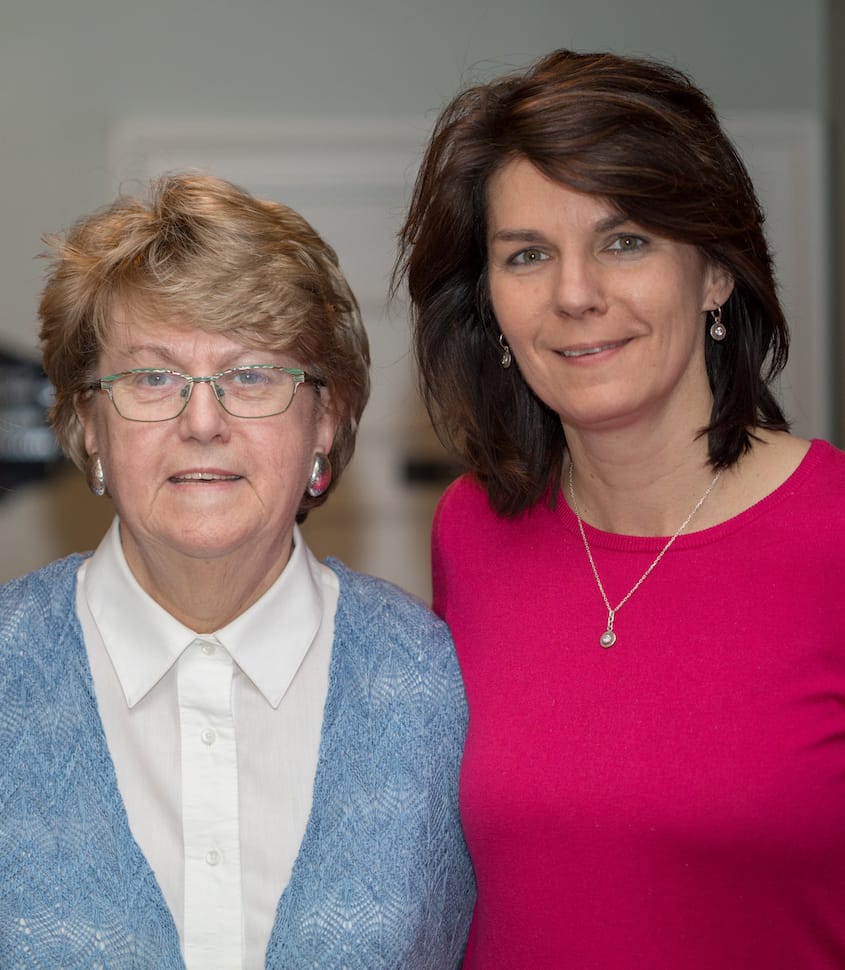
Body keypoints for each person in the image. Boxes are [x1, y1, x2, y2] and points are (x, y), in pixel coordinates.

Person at [395, 48, 845, 969]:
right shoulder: (470, 531)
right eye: (527, 255)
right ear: (490, 304)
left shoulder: (831, 533)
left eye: (624, 240)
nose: (574, 294)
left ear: (714, 272)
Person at [0, 173, 474, 969]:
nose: (202, 421)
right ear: (89, 425)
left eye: (252, 374)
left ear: (326, 419)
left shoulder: (437, 682)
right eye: (152, 377)